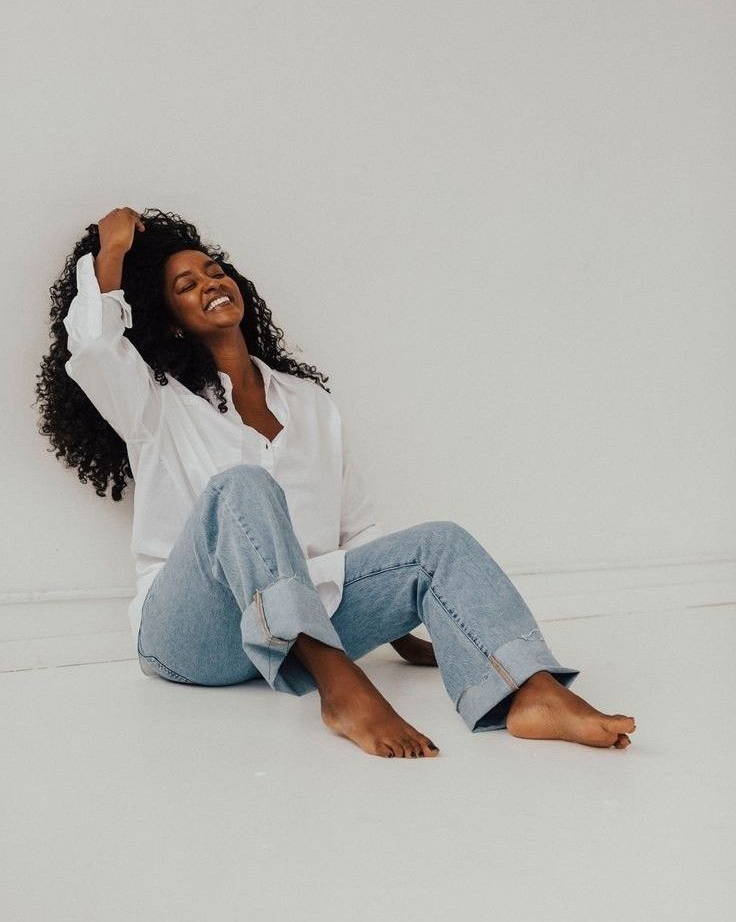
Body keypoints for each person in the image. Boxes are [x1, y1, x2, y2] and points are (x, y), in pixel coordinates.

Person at [36, 206, 636, 759]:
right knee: (240, 487)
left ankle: (530, 692)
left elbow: (356, 535)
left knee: (440, 543)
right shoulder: (156, 404)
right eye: (186, 286)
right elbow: (92, 346)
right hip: (194, 637)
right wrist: (110, 248)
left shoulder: (309, 403)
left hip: (303, 622)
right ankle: (342, 690)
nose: (210, 284)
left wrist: (406, 621)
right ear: (168, 324)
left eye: (214, 272)